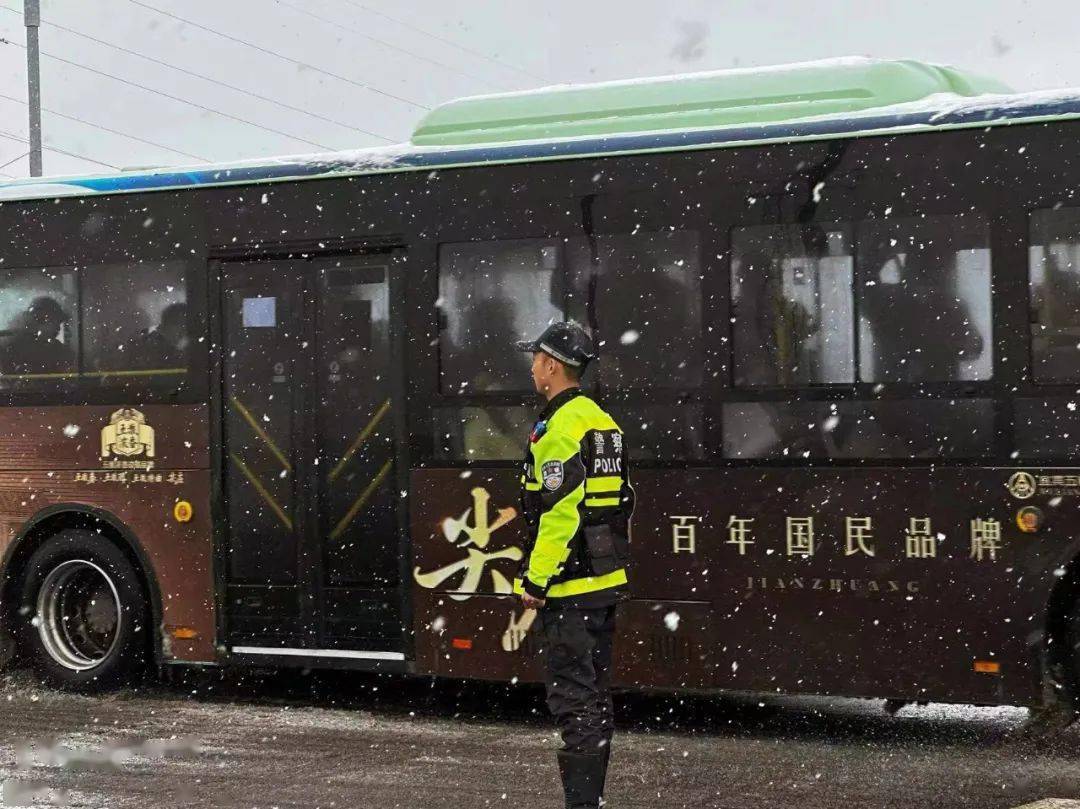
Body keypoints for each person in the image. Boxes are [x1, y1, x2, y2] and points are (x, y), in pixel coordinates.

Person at [513, 321, 634, 809]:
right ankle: (593, 799)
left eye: (535, 359)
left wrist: (537, 579)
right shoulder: (603, 420)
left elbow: (558, 511)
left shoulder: (558, 427)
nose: (532, 367)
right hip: (606, 580)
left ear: (551, 365)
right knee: (595, 695)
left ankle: (582, 805)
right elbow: (622, 499)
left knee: (573, 699)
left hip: (570, 589)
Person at [0, 296, 74, 376]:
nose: (58, 328)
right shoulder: (11, 347)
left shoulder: (59, 351)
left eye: (59, 323)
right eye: (54, 322)